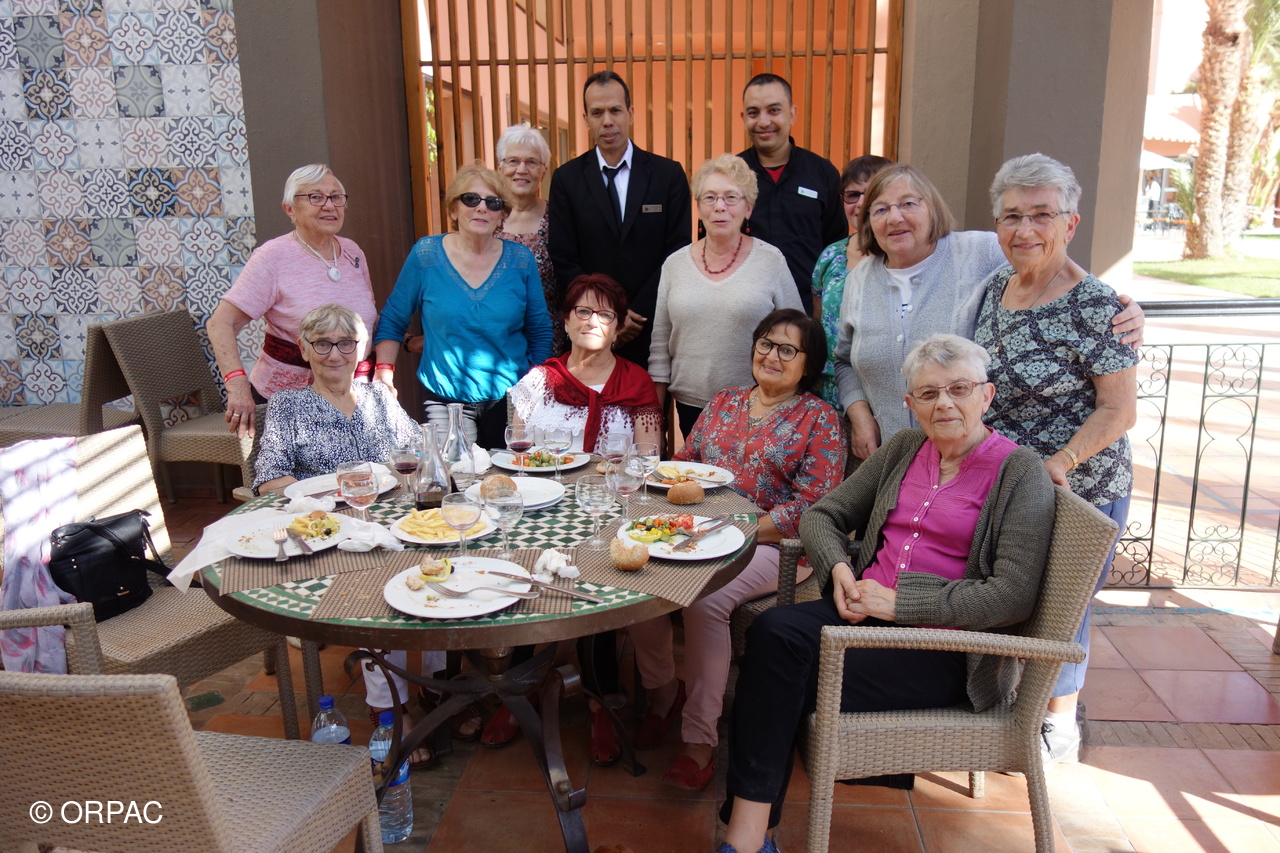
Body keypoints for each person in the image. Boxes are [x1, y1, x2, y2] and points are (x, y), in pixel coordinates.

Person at [717, 334, 1056, 853]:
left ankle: (745, 840)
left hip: (944, 650)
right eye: (929, 393)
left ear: (986, 395)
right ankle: (749, 837)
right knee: (770, 634)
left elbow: (1011, 597)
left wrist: (898, 603)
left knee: (778, 676)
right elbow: (822, 515)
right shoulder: (904, 449)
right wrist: (838, 569)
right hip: (861, 618)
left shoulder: (1020, 472)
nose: (944, 404)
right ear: (910, 404)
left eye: (959, 389)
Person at [628, 309, 846, 792]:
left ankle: (699, 740)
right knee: (638, 577)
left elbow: (814, 507)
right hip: (698, 532)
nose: (772, 356)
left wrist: (739, 531)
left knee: (704, 598)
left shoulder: (820, 419)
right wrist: (663, 493)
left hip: (774, 546)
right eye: (766, 343)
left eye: (787, 349)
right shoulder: (724, 402)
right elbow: (684, 465)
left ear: (808, 364)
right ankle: (662, 692)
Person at [974, 153, 1138, 766]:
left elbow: (1119, 409)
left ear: (1070, 223)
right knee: (1013, 595)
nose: (1025, 229)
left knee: (1063, 606)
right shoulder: (997, 286)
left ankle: (1059, 724)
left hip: (1077, 488)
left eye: (1041, 214)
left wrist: (1060, 462)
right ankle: (1005, 706)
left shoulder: (1097, 305)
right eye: (1012, 215)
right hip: (1010, 484)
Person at [832, 163, 1146, 462]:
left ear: (932, 209)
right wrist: (859, 414)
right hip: (889, 455)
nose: (895, 217)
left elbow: (1050, 263)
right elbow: (844, 360)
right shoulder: (859, 279)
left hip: (969, 460)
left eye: (908, 204)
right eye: (881, 209)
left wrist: (1118, 307)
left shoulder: (979, 252)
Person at [251, 303, 451, 768]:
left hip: (397, 521)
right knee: (379, 585)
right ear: (304, 349)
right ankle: (389, 708)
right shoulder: (287, 406)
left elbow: (417, 452)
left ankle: (441, 683)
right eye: (322, 343)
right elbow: (268, 480)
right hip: (332, 532)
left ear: (359, 348)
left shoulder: (379, 397)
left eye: (345, 343)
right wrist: (334, 493)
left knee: (443, 562)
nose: (335, 354)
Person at [373, 164, 552, 449]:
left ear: (502, 215)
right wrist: (384, 375)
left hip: (510, 398)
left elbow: (540, 331)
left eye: (493, 203)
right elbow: (393, 319)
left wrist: (531, 392)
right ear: (454, 210)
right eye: (471, 199)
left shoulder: (521, 260)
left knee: (508, 474)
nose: (481, 208)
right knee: (454, 472)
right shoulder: (426, 255)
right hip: (446, 397)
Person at [209, 164, 377, 438]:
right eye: (315, 197)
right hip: (289, 405)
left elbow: (369, 319)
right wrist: (236, 386)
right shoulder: (272, 257)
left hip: (353, 397)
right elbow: (220, 324)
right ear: (290, 209)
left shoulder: (352, 252)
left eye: (336, 197)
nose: (329, 205)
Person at [648, 154, 803, 437]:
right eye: (710, 198)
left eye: (731, 198)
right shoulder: (674, 265)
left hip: (759, 407)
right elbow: (659, 348)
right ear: (699, 207)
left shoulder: (771, 261)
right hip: (690, 408)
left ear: (748, 208)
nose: (720, 206)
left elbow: (797, 336)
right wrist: (656, 421)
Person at [548, 70, 692, 369]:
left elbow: (677, 251)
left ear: (631, 113)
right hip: (591, 330)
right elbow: (563, 257)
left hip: (652, 326)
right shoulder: (566, 179)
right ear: (586, 119)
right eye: (597, 112)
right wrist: (605, 314)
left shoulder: (667, 175)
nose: (607, 121)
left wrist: (634, 313)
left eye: (615, 110)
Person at [511, 274, 663, 452]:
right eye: (583, 311)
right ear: (566, 321)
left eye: (605, 315)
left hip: (617, 471)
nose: (593, 322)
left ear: (617, 330)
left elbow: (647, 458)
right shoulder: (537, 382)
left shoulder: (636, 382)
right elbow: (517, 456)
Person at [737, 73, 847, 312]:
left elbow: (836, 249)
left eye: (774, 110)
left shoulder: (822, 173)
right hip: (744, 309)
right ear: (743, 118)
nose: (763, 122)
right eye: (754, 113)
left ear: (792, 114)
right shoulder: (732, 176)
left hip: (807, 311)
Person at [811, 154, 894, 410]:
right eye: (852, 195)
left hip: (883, 391)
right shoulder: (830, 255)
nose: (861, 203)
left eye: (871, 194)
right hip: (829, 390)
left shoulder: (901, 257)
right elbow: (818, 324)